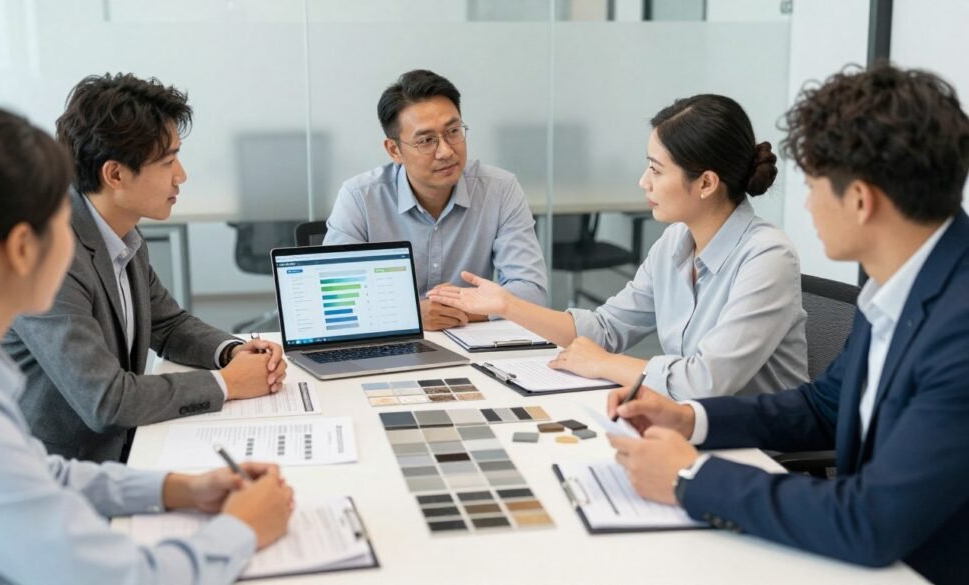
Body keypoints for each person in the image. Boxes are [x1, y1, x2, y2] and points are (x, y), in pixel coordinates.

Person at [606, 64, 969, 584]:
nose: (806, 203)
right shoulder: (895, 281)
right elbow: (824, 405)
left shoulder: (959, 328)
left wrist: (691, 476)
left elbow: (870, 520)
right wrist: (690, 420)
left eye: (815, 184)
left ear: (861, 200)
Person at [0, 106, 294, 585]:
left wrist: (183, 488)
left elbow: (43, 473)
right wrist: (241, 530)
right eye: (58, 216)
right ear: (23, 248)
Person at [430, 94, 808, 399]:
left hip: (759, 449)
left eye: (656, 170)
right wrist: (507, 305)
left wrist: (604, 364)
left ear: (706, 183)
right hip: (686, 425)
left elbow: (708, 380)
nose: (644, 182)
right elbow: (608, 328)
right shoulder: (676, 242)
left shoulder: (766, 257)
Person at [2, 74, 287, 463]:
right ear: (115, 174)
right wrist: (227, 384)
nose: (181, 175)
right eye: (168, 160)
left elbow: (167, 324)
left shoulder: (119, 230)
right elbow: (106, 400)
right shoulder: (51, 255)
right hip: (62, 472)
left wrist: (231, 352)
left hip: (123, 453)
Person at [323, 69, 548, 331]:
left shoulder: (500, 190)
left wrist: (454, 311)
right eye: (427, 140)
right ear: (394, 150)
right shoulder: (359, 197)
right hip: (390, 345)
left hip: (471, 344)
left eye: (453, 131)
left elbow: (531, 291)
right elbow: (334, 298)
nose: (446, 151)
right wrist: (411, 314)